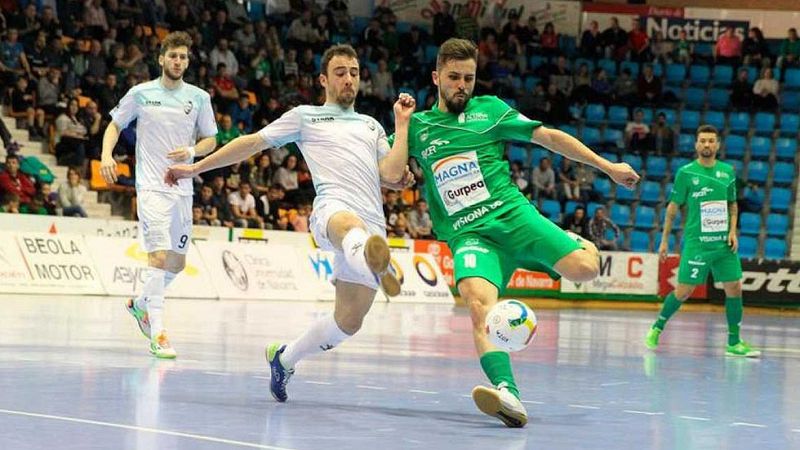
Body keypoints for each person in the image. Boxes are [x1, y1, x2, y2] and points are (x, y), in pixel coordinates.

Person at [389, 38, 640, 428]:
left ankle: (573, 242)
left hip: (514, 218)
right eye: (453, 77)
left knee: (587, 269)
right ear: (436, 77)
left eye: (468, 78)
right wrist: (402, 130)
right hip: (470, 235)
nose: (461, 85)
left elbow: (549, 137)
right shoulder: (419, 127)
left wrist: (607, 167)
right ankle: (508, 394)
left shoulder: (490, 111)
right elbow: (390, 174)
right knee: (478, 306)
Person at [164, 44, 412, 403]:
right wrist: (196, 168)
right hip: (333, 212)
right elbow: (252, 143)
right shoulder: (306, 117)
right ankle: (376, 262)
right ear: (323, 80)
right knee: (349, 225)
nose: (348, 79)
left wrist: (401, 125)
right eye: (340, 72)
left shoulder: (371, 125)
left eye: (354, 73)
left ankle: (285, 358)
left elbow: (389, 173)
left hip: (373, 220)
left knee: (347, 323)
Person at [99, 31, 219, 359]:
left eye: (183, 57)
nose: (178, 61)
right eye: (173, 56)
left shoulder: (199, 98)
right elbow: (114, 125)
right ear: (161, 59)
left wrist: (192, 151)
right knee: (159, 257)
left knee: (177, 264)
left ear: (187, 62)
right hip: (151, 187)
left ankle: (140, 304)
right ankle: (158, 333)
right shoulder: (141, 93)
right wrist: (106, 155)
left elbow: (211, 140)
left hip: (183, 188)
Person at [645, 125, 760, 358]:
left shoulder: (727, 172)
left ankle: (734, 342)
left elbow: (732, 205)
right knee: (684, 291)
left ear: (717, 145)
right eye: (703, 141)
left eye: (711, 141)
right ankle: (657, 327)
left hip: (723, 244)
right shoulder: (686, 173)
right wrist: (664, 241)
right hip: (697, 244)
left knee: (735, 288)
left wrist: (732, 231)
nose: (707, 144)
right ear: (696, 144)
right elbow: (672, 209)